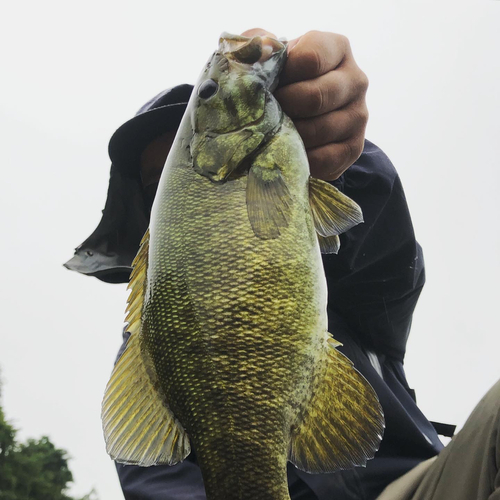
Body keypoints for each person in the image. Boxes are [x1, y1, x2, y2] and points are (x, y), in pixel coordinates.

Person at [65, 29, 500, 500]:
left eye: (179, 145)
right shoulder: (156, 358)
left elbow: (377, 234)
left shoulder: (350, 284)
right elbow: (156, 480)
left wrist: (334, 152)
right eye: (158, 179)